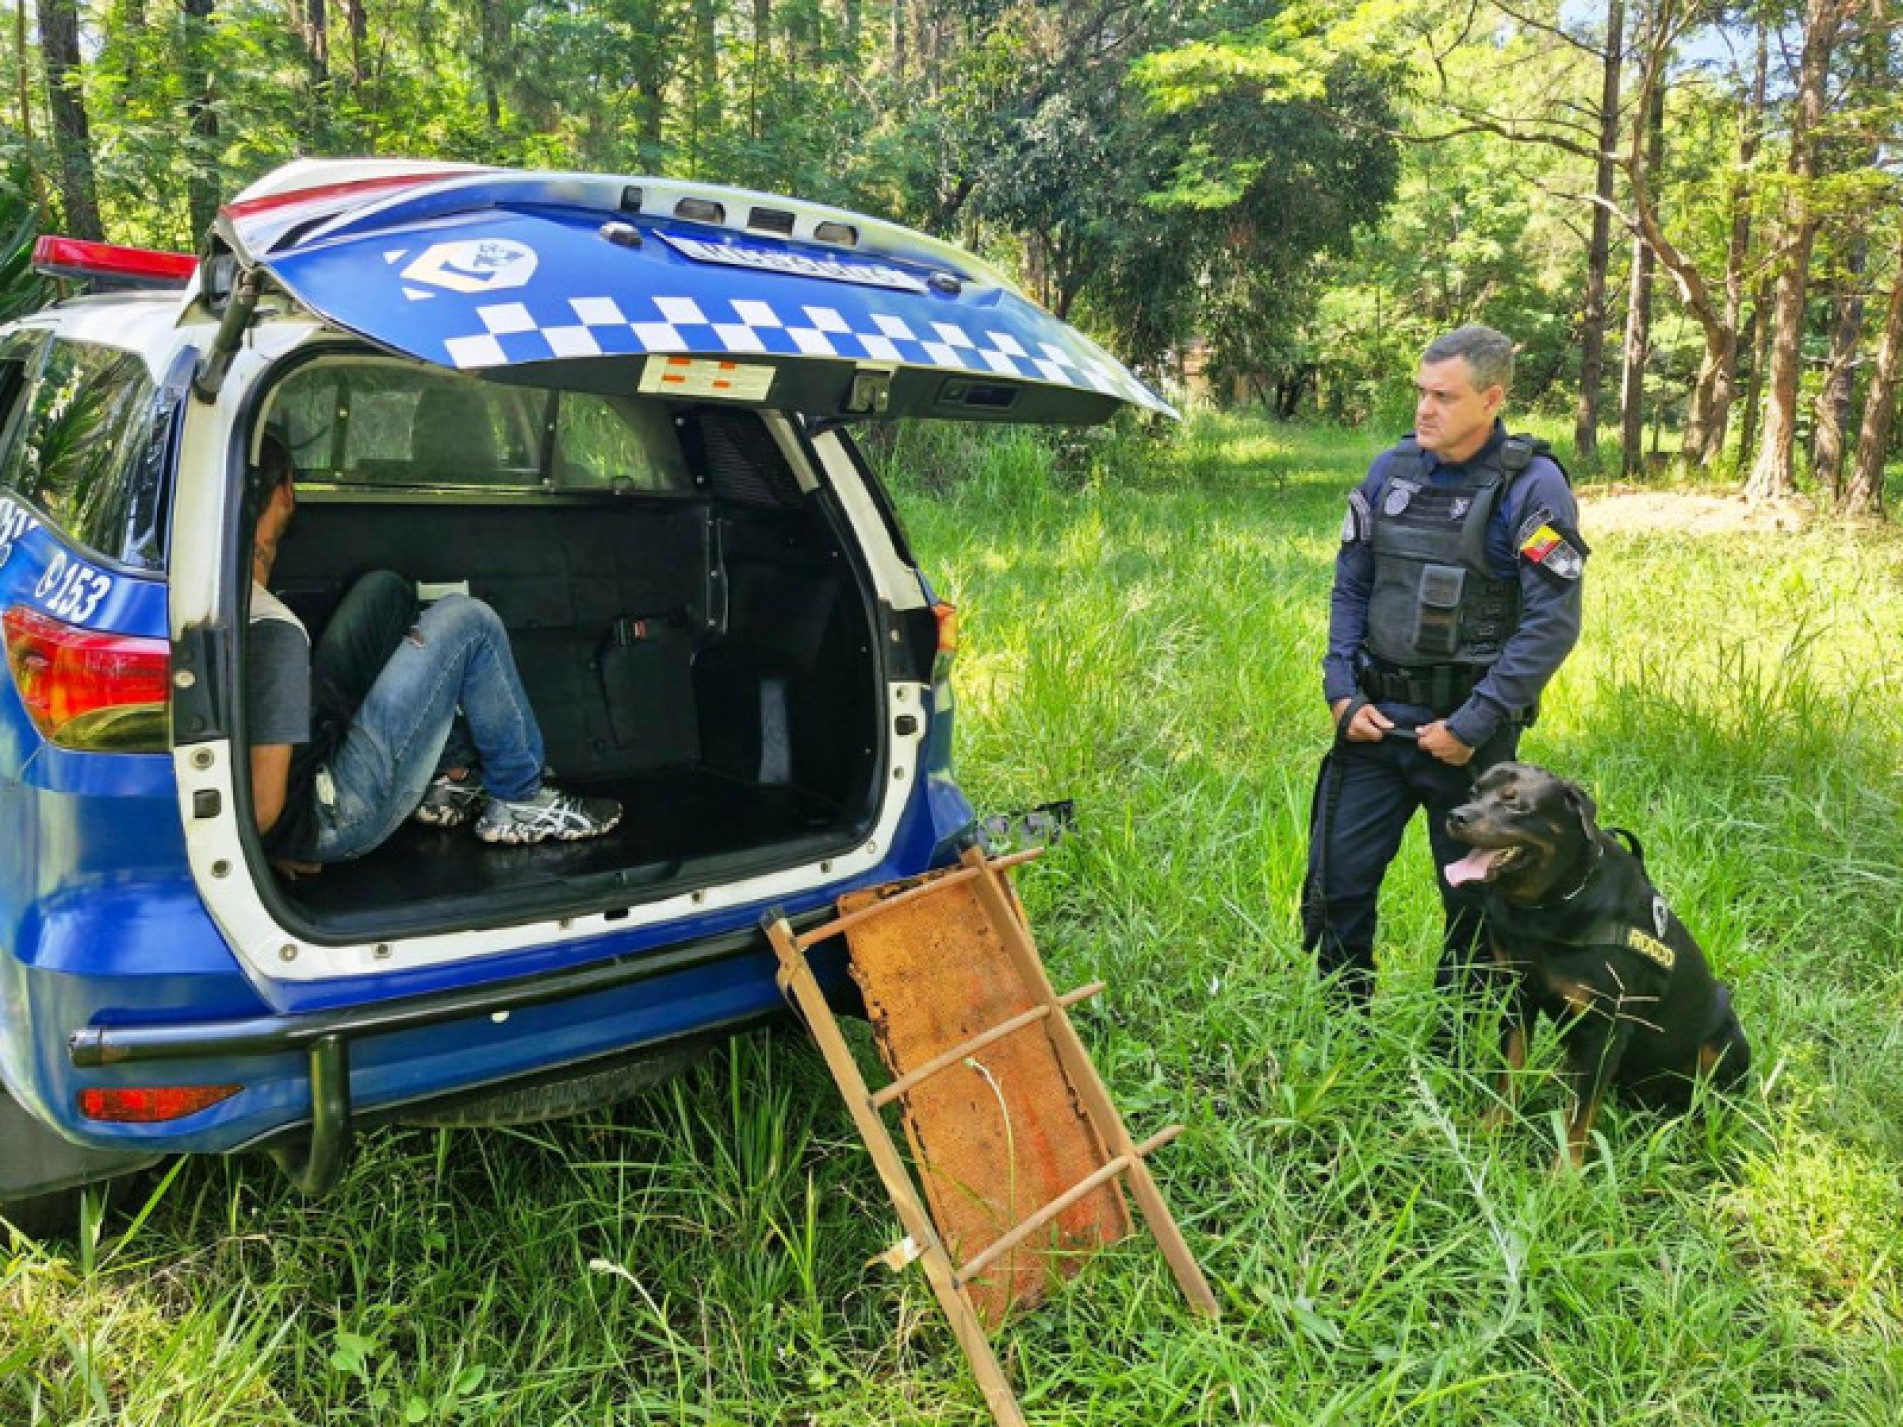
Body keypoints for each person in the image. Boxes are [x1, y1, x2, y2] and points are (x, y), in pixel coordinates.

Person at [1300, 325, 1587, 1012]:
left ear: (1491, 399)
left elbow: (1552, 621)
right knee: (1336, 879)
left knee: (1473, 899)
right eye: (1420, 392)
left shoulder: (1532, 486)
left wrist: (1472, 723)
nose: (1423, 409)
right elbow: (1351, 587)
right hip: (1373, 722)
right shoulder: (1389, 472)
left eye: (1442, 396)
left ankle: (1456, 1039)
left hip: (1466, 738)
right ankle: (1344, 1018)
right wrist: (1340, 692)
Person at [245, 434, 622, 872]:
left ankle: (450, 776)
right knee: (469, 623)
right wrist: (275, 849)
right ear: (288, 490)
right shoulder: (274, 630)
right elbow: (262, 810)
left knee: (382, 592)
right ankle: (520, 797)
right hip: (328, 814)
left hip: (315, 762)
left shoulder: (228, 599)